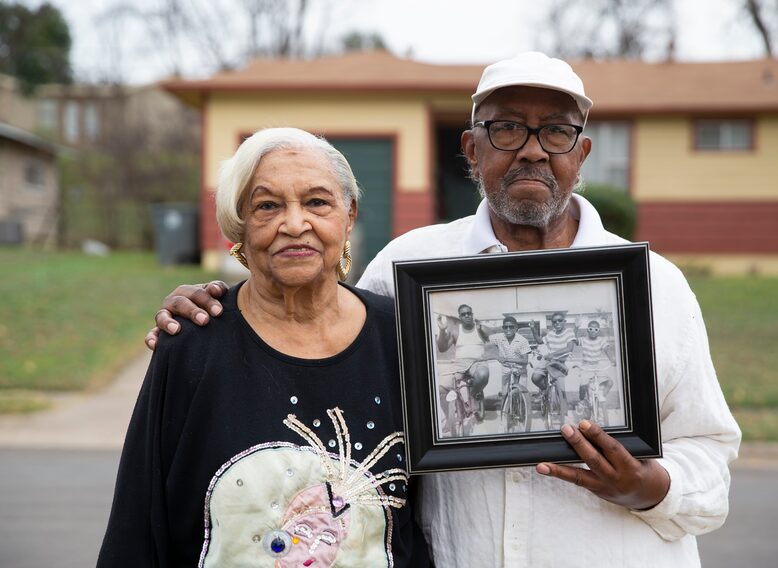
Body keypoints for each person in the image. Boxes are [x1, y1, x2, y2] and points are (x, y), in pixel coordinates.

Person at [146, 52, 741, 567]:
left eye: (555, 132)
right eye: (506, 129)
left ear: (581, 153)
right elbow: (314, 332)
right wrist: (215, 306)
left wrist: (652, 487)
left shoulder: (654, 288)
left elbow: (709, 450)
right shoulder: (408, 269)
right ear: (471, 148)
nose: (532, 151)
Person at [98, 128, 429, 567]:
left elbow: (433, 515)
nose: (294, 225)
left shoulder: (404, 337)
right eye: (267, 206)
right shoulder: (192, 346)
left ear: (349, 215)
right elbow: (138, 524)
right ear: (239, 225)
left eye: (317, 202)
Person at [434, 303, 491, 421]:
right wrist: (442, 331)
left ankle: (473, 395)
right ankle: (450, 420)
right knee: (440, 389)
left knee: (483, 374)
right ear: (460, 317)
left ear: (472, 315)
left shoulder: (480, 328)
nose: (467, 316)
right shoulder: (455, 331)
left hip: (477, 362)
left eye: (469, 313)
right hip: (459, 364)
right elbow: (442, 348)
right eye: (463, 314)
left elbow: (492, 340)